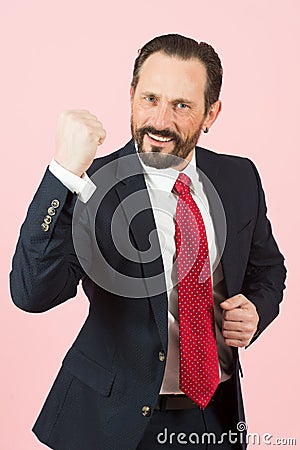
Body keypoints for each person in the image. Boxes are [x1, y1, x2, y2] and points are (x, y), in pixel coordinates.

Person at [10, 34, 286, 450]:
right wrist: (62, 174)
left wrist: (257, 309)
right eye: (150, 99)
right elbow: (31, 293)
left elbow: (268, 269)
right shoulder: (91, 185)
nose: (159, 121)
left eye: (182, 105)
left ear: (212, 112)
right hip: (110, 421)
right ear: (131, 95)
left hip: (215, 416)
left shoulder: (239, 177)